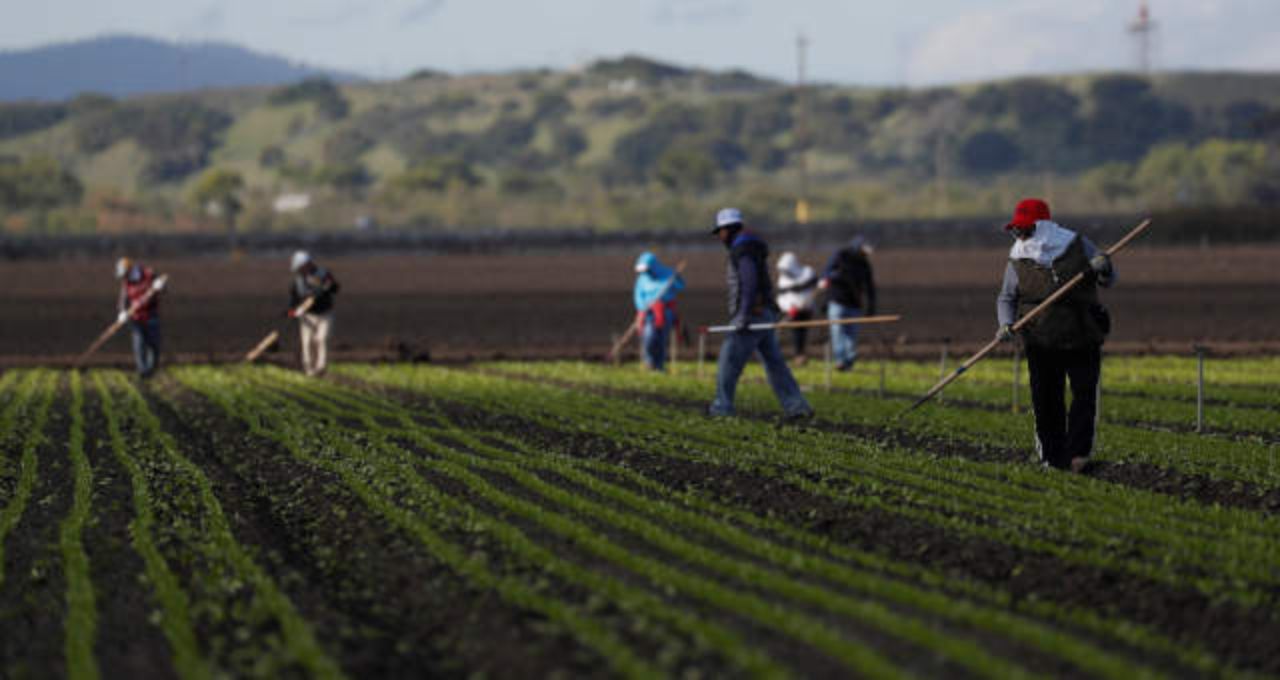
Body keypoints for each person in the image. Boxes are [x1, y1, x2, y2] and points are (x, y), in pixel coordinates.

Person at [995, 198, 1116, 473]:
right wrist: (1005, 324)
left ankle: (1077, 454)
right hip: (1040, 338)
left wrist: (1103, 267)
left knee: (1084, 395)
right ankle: (1052, 457)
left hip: (1082, 333)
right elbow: (1006, 298)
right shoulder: (1016, 259)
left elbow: (1108, 279)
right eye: (1017, 230)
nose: (1020, 235)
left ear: (1044, 226)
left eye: (1025, 229)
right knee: (1045, 399)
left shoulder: (1077, 245)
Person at [707, 208, 813, 420]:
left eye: (720, 231)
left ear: (728, 230)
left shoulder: (742, 249)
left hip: (753, 314)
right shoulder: (751, 246)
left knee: (729, 361)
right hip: (765, 313)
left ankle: (722, 408)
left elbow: (749, 282)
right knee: (775, 363)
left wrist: (744, 314)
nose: (719, 236)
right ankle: (797, 406)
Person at [819, 236, 877, 371]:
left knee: (851, 335)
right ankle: (840, 360)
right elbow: (827, 273)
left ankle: (849, 362)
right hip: (837, 301)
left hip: (854, 304)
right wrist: (833, 276)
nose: (864, 255)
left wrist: (871, 306)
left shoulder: (864, 264)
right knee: (837, 331)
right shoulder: (841, 256)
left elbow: (870, 287)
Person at [287, 250, 340, 377]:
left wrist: (328, 286)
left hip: (324, 313)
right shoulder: (297, 282)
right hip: (307, 316)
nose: (300, 270)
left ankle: (321, 368)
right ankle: (309, 369)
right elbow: (294, 301)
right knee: (307, 342)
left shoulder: (323, 275)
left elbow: (335, 288)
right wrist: (293, 312)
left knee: (321, 339)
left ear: (307, 264)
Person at [633, 251, 685, 371]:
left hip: (665, 313)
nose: (645, 272)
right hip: (648, 314)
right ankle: (649, 362)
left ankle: (659, 366)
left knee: (661, 340)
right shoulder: (642, 279)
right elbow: (638, 296)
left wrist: (677, 278)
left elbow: (680, 286)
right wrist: (643, 307)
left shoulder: (668, 274)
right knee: (649, 337)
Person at [114, 257, 166, 378]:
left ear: (130, 270)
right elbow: (123, 298)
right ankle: (142, 370)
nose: (123, 277)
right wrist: (122, 312)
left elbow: (162, 289)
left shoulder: (148, 274)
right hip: (136, 317)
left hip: (151, 315)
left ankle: (151, 369)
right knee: (139, 342)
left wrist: (160, 286)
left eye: (125, 274)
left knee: (154, 344)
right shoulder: (126, 282)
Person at [775, 251, 819, 363]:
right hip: (793, 311)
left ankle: (801, 354)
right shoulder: (783, 280)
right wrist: (789, 307)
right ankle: (798, 355)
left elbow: (814, 286)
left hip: (806, 308)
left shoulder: (807, 272)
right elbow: (782, 297)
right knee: (796, 332)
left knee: (803, 332)